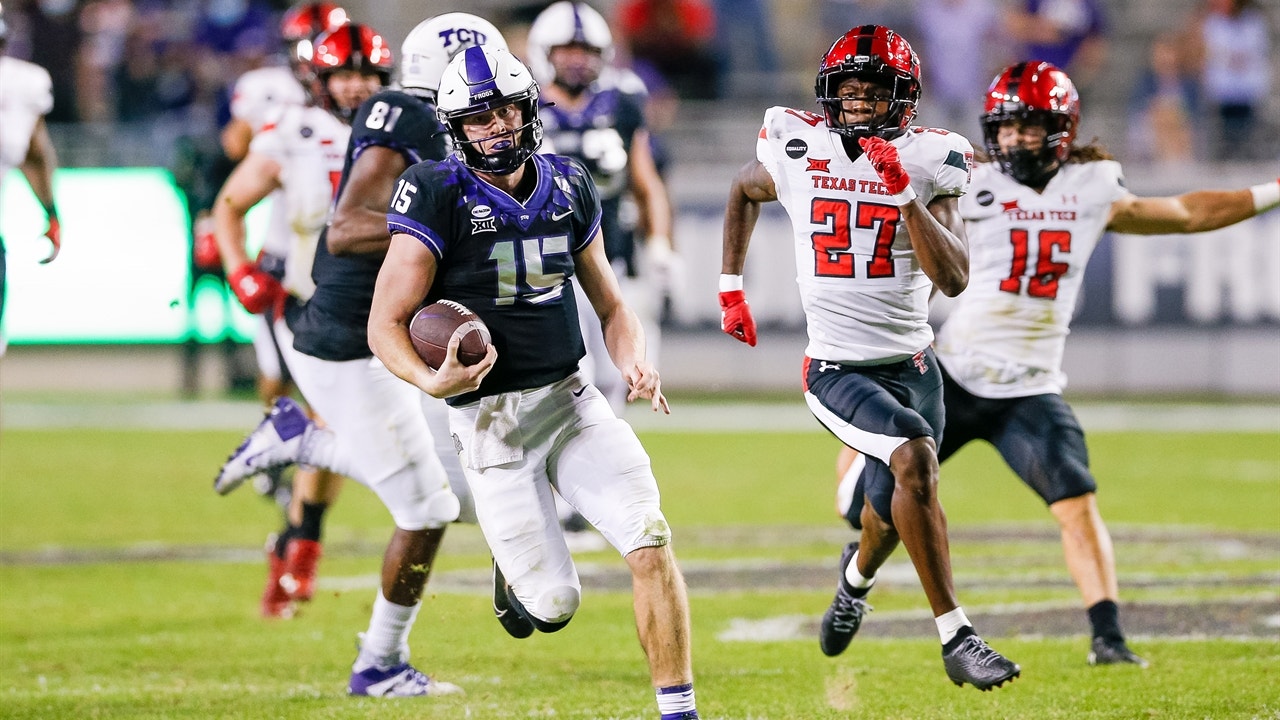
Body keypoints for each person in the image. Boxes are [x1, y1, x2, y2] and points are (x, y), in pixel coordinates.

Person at [838, 61, 1280, 667]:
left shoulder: (1093, 185)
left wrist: (1274, 188)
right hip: (956, 376)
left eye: (1030, 126)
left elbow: (1187, 212)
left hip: (1031, 387)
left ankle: (1109, 636)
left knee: (1077, 501)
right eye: (1007, 126)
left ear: (1062, 128)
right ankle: (856, 562)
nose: (1016, 138)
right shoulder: (968, 176)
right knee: (864, 510)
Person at [366, 45, 700, 719]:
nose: (495, 127)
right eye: (478, 117)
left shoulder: (569, 183)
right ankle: (514, 577)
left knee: (649, 537)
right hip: (493, 426)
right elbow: (385, 324)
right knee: (553, 607)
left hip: (573, 403)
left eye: (506, 111)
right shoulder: (435, 191)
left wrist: (633, 358)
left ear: (528, 109)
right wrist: (430, 382)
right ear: (455, 127)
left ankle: (679, 710)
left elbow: (610, 304)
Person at [215, 14, 510, 697]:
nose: (497, 104)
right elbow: (346, 229)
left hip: (375, 332)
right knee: (430, 507)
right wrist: (456, 224)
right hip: (348, 338)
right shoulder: (401, 116)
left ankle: (301, 441)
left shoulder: (437, 123)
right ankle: (379, 662)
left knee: (441, 493)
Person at [719, 24, 1020, 691]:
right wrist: (729, 287)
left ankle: (853, 582)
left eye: (872, 91)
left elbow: (956, 277)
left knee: (887, 513)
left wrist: (903, 194)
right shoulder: (798, 146)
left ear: (902, 98)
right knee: (914, 460)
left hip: (915, 368)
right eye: (847, 91)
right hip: (836, 369)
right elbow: (743, 190)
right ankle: (957, 638)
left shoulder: (932, 158)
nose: (857, 104)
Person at [209, 1, 350, 619]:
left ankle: (295, 532)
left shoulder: (386, 119)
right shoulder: (283, 117)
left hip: (364, 288)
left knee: (342, 424)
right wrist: (239, 266)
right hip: (296, 280)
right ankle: (299, 545)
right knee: (307, 402)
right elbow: (235, 168)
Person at [527, 1, 676, 550]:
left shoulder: (623, 100)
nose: (575, 62)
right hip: (542, 262)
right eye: (565, 51)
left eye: (584, 51)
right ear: (545, 55)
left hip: (606, 256)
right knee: (564, 375)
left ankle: (584, 488)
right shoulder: (523, 104)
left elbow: (645, 179)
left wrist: (660, 242)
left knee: (614, 376)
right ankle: (559, 491)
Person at [0, 3, 60, 356]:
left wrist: (52, 213)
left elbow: (33, 155)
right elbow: (34, 155)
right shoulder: (24, 82)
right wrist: (52, 214)